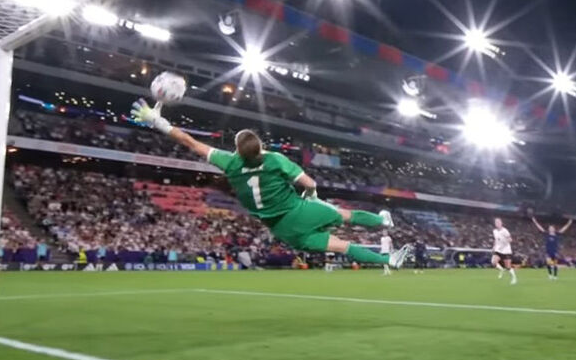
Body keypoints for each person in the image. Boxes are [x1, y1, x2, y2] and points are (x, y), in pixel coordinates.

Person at [131, 100, 411, 267]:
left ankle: (389, 261)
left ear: (238, 150)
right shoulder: (275, 159)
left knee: (342, 246)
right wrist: (311, 197)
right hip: (297, 210)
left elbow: (190, 142)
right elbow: (309, 182)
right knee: (344, 215)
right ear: (260, 145)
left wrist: (159, 122)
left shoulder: (229, 163)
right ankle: (382, 221)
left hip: (282, 230)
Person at [491, 218, 516, 285]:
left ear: (501, 223)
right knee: (493, 262)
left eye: (498, 222)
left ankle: (514, 278)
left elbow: (510, 240)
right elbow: (496, 240)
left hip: (506, 250)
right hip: (498, 250)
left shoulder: (505, 231)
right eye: (496, 222)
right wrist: (494, 246)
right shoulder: (494, 231)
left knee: (508, 267)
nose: (497, 223)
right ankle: (501, 270)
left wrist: (503, 245)